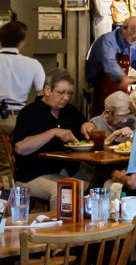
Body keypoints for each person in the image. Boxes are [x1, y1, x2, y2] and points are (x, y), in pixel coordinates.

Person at [11, 68, 89, 201]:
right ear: (47, 90)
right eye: (61, 93)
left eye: (69, 93)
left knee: (99, 184)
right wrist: (53, 132)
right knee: (64, 191)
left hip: (69, 171)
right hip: (34, 174)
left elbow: (84, 137)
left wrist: (87, 125)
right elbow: (20, 148)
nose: (66, 98)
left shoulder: (70, 111)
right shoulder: (30, 112)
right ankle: (59, 222)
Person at [84, 17, 136, 117]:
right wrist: (123, 78)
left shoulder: (133, 46)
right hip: (101, 93)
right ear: (124, 27)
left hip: (121, 96)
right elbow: (110, 63)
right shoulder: (107, 41)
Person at [0, 20, 45, 136]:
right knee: (21, 152)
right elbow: (43, 94)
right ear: (21, 43)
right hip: (22, 118)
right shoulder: (33, 64)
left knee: (3, 154)